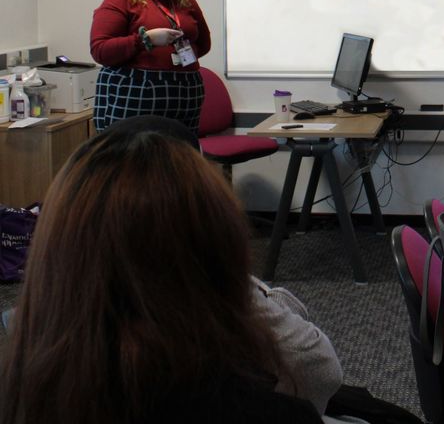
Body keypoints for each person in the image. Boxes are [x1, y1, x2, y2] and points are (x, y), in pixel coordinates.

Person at [0, 116, 337, 424]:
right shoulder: (264, 411)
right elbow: (320, 372)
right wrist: (236, 285)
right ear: (220, 240)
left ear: (55, 241)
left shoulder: (20, 376)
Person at [90, 0, 211, 134]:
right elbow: (100, 50)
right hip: (137, 91)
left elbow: (204, 43)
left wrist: (177, 58)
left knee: (180, 152)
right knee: (136, 153)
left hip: (185, 91)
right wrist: (145, 40)